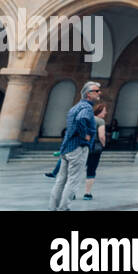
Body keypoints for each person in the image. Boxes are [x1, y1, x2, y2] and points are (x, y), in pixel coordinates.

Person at [49, 81, 100, 211]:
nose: (100, 93)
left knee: (61, 180)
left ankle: (53, 206)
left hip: (67, 148)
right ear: (88, 94)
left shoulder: (75, 107)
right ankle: (64, 207)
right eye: (96, 91)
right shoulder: (87, 108)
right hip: (78, 147)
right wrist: (85, 135)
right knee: (73, 180)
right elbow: (81, 120)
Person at [82, 103, 108, 200]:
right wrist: (104, 144)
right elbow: (101, 135)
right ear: (99, 111)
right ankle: (87, 193)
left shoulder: (87, 119)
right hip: (94, 148)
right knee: (91, 170)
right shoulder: (100, 121)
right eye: (104, 110)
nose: (106, 112)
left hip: (83, 146)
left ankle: (72, 192)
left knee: (78, 170)